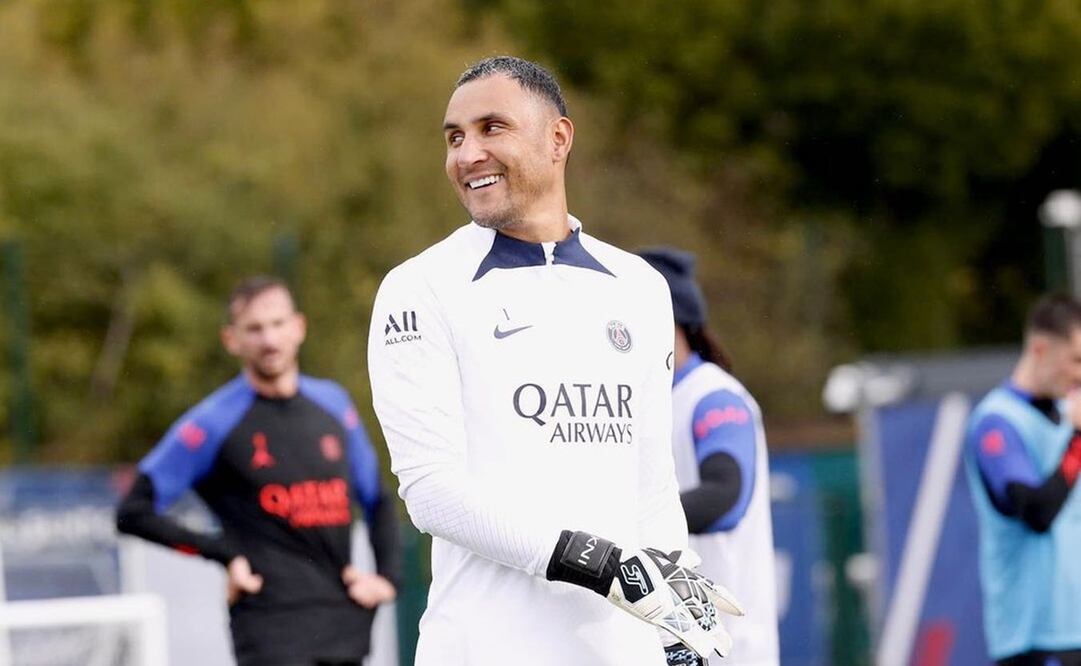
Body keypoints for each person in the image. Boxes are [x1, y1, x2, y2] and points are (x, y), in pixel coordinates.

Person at [366, 56, 741, 666]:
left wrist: (679, 617)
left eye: (493, 128)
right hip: (486, 648)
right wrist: (595, 562)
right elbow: (432, 491)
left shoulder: (640, 286)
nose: (467, 155)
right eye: (455, 137)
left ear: (558, 138)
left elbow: (650, 482)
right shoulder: (419, 289)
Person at [116, 276, 400, 666]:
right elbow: (133, 512)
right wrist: (223, 554)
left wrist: (387, 579)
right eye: (254, 328)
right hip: (270, 631)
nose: (269, 340)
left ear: (299, 327)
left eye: (278, 324)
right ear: (231, 339)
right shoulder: (213, 422)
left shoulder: (333, 404)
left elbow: (377, 499)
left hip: (344, 626)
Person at [637, 247, 780, 666]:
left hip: (730, 647)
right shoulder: (646, 404)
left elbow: (726, 495)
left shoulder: (712, 396)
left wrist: (623, 529)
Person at [964, 293, 1081, 666]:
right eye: (1076, 360)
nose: (1080, 374)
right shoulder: (997, 423)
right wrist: (1078, 440)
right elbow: (1036, 512)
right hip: (1033, 639)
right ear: (1040, 349)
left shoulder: (1067, 415)